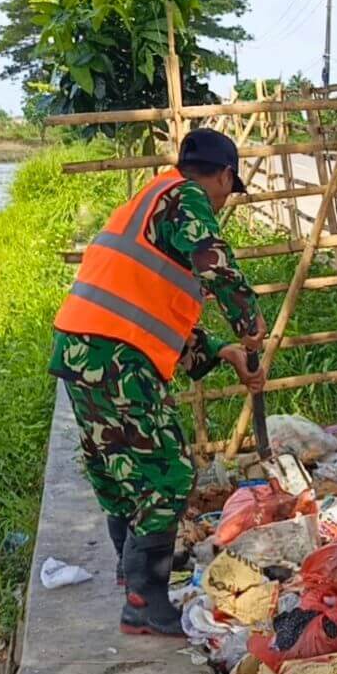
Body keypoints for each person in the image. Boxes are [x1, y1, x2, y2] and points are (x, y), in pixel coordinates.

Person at [50, 128, 267, 637]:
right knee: (169, 474)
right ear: (224, 176)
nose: (221, 204)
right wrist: (248, 321)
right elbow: (213, 260)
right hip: (115, 355)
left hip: (85, 348)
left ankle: (133, 580)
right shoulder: (186, 197)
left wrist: (225, 352)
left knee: (120, 469)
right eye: (226, 192)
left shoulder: (151, 200)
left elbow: (155, 307)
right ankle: (146, 603)